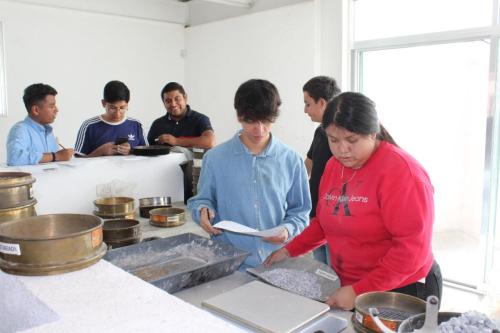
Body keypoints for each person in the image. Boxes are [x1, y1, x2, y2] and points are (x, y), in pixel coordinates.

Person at [264, 92, 442, 310]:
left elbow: (412, 251)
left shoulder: (402, 173)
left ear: (372, 133)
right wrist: (290, 250)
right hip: (348, 286)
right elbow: (325, 222)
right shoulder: (333, 166)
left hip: (400, 289)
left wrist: (359, 290)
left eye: (351, 140)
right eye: (333, 140)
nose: (342, 150)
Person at [187, 79, 311, 269]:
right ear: (238, 116)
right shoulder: (215, 158)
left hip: (275, 261)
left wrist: (288, 229)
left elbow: (301, 212)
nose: (259, 130)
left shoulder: (291, 160)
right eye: (251, 121)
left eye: (266, 121)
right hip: (229, 261)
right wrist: (202, 210)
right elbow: (201, 200)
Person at [303, 76, 341, 264]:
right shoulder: (320, 132)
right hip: (316, 215)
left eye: (307, 104)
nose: (305, 110)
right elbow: (308, 165)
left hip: (336, 218)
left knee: (336, 273)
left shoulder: (342, 138)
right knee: (321, 273)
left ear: (322, 103)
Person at [7, 83, 74, 166]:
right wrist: (55, 156)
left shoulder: (48, 131)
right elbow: (14, 158)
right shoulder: (20, 129)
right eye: (51, 106)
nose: (56, 110)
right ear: (36, 110)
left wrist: (60, 156)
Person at [74, 80, 146, 157]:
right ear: (103, 103)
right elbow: (77, 162)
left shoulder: (136, 125)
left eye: (122, 108)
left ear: (127, 104)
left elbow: (147, 156)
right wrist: (100, 152)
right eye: (112, 108)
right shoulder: (89, 126)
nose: (118, 114)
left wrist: (131, 151)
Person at [147, 82, 215, 149]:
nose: (173, 104)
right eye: (168, 101)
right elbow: (148, 149)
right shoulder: (157, 124)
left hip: (193, 160)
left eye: (177, 99)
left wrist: (176, 141)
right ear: (164, 103)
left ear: (185, 98)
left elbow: (209, 142)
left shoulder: (200, 119)